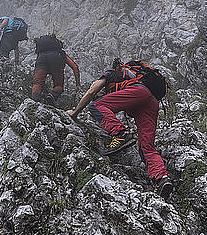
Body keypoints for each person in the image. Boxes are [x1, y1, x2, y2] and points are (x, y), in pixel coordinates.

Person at [67, 59, 173, 200]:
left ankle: (120, 134)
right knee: (146, 146)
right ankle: (161, 179)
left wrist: (74, 112)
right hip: (152, 101)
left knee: (96, 106)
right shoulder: (130, 79)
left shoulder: (111, 74)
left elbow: (92, 92)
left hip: (138, 93)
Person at [32, 34, 81, 104]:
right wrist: (78, 85)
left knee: (37, 83)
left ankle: (35, 100)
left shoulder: (41, 53)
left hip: (41, 59)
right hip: (56, 60)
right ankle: (51, 96)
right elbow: (74, 67)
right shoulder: (60, 53)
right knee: (58, 85)